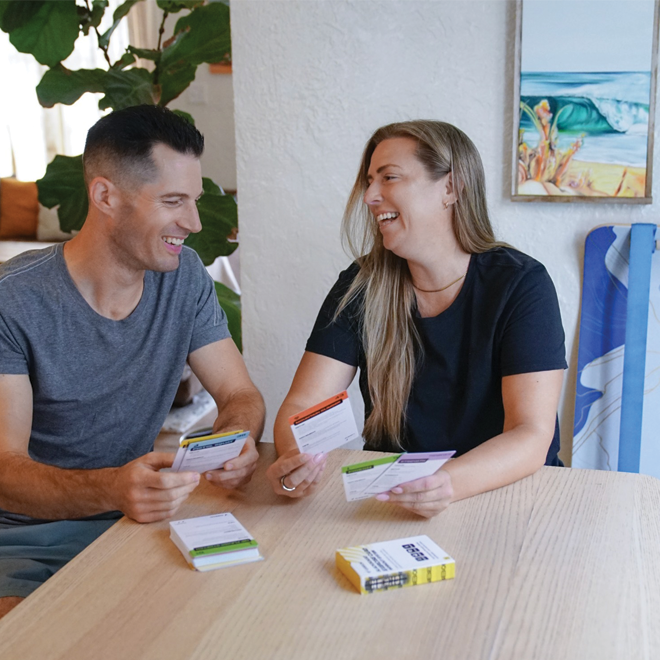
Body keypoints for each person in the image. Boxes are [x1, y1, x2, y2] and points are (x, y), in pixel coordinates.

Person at [0, 105, 265, 617]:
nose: (193, 223)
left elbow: (239, 394)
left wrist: (233, 441)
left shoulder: (184, 278)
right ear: (105, 196)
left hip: (131, 524)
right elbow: (5, 472)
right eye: (172, 201)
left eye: (194, 201)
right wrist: (112, 488)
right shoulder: (13, 301)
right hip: (21, 539)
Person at [266, 120, 566, 517]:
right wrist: (294, 458)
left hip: (508, 498)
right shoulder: (360, 284)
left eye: (389, 177)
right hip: (395, 501)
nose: (370, 196)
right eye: (369, 181)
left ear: (451, 188)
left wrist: (446, 483)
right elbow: (304, 403)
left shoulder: (521, 284)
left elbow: (531, 434)